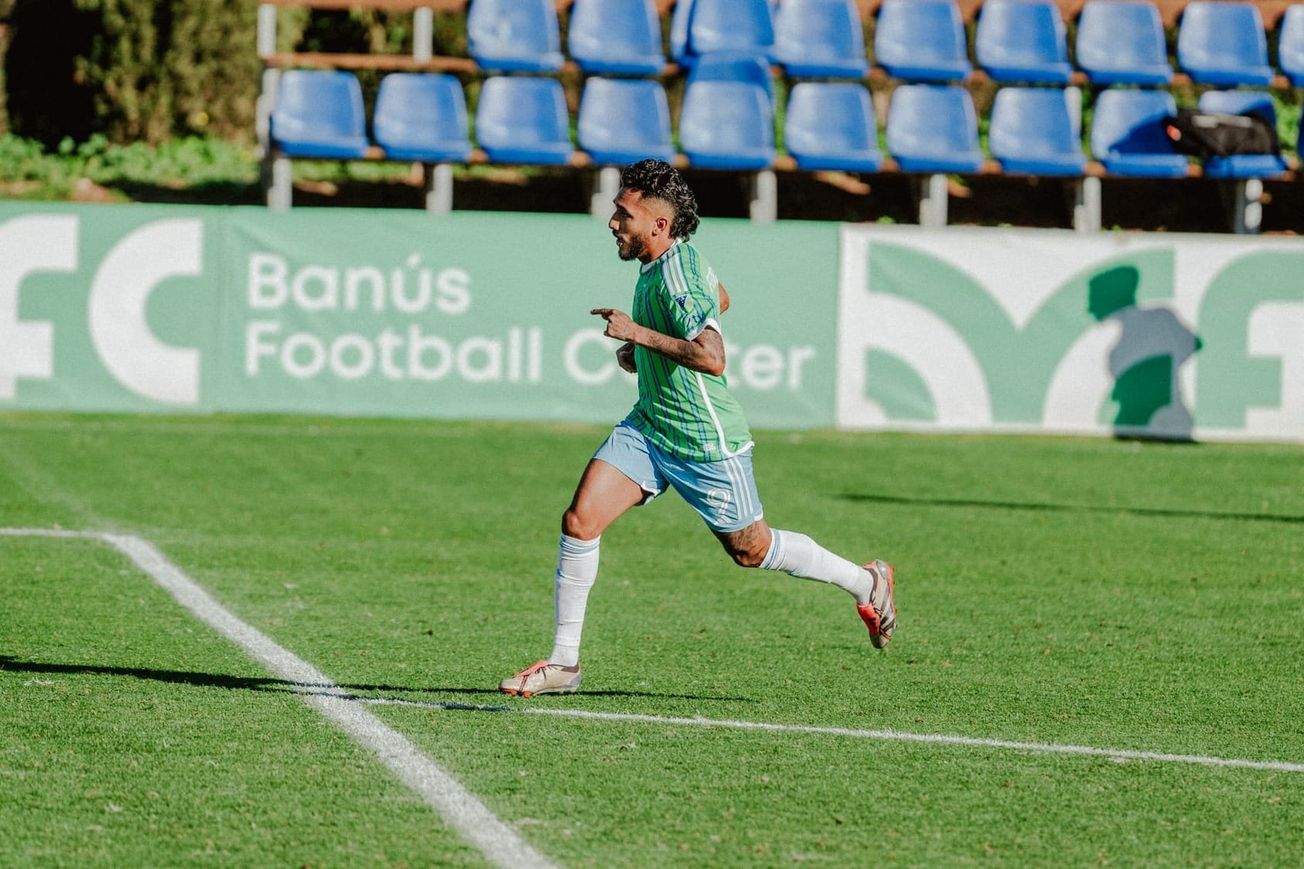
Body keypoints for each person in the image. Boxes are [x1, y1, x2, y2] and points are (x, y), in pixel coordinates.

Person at [499, 159, 896, 697]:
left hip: (703, 439)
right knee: (580, 521)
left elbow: (712, 358)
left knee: (750, 549)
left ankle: (864, 581)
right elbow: (719, 299)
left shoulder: (678, 272)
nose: (613, 223)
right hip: (651, 425)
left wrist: (639, 334)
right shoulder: (672, 264)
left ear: (659, 226)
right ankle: (564, 664)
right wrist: (648, 349)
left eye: (623, 215)